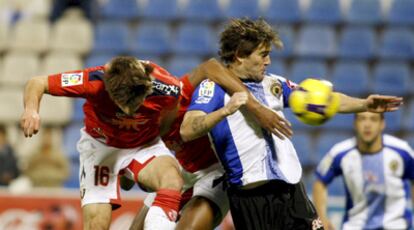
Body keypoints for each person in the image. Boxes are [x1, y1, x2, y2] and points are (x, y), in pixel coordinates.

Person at [180, 18, 403, 230]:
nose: (268, 61)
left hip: (292, 191)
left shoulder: (274, 84)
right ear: (239, 55)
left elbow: (323, 101)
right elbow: (188, 129)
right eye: (263, 54)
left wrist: (364, 104)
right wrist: (224, 112)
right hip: (252, 199)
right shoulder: (213, 89)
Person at [21, 55, 288, 230]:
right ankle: (124, 177)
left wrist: (158, 136)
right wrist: (31, 110)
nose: (127, 112)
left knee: (172, 180)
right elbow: (37, 82)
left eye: (133, 105)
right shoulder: (92, 80)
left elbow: (173, 109)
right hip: (100, 148)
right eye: (121, 105)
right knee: (97, 225)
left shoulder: (167, 87)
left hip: (143, 145)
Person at [313, 112, 414, 230]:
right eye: (362, 119)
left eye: (373, 119)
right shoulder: (340, 152)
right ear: (355, 123)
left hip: (396, 226)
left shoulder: (402, 151)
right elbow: (320, 183)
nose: (367, 125)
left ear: (382, 124)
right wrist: (322, 218)